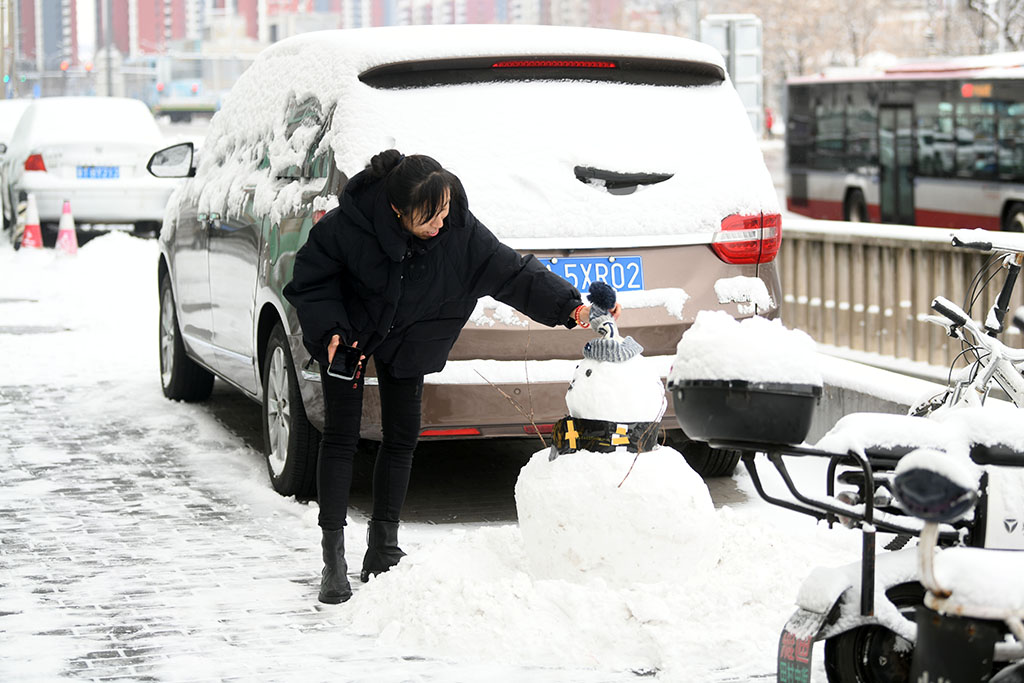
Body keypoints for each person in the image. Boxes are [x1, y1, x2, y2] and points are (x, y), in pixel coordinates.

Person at [283, 149, 619, 604]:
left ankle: (383, 549)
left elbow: (514, 273)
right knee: (341, 437)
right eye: (429, 218)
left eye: (444, 210)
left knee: (402, 436)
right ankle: (334, 560)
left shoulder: (459, 229)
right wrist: (331, 332)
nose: (441, 223)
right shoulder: (350, 225)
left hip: (412, 337)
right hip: (350, 336)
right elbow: (311, 279)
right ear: (397, 211)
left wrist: (571, 308)